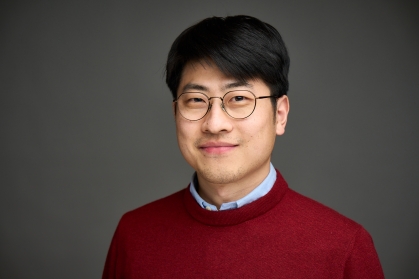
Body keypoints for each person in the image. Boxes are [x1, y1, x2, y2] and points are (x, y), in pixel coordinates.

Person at [102, 15, 384, 278]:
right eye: (196, 100)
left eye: (238, 99)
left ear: (280, 115)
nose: (215, 124)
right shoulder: (135, 235)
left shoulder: (343, 246)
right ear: (175, 113)